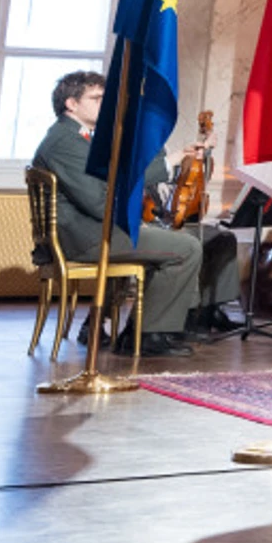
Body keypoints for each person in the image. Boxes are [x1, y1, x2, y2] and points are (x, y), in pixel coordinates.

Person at [30, 71, 241, 356]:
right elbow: (98, 202)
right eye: (97, 98)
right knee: (186, 248)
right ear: (72, 104)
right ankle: (147, 336)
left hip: (95, 229)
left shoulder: (79, 138)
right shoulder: (66, 142)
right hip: (87, 237)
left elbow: (112, 184)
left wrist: (178, 159)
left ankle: (168, 323)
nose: (107, 104)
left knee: (198, 239)